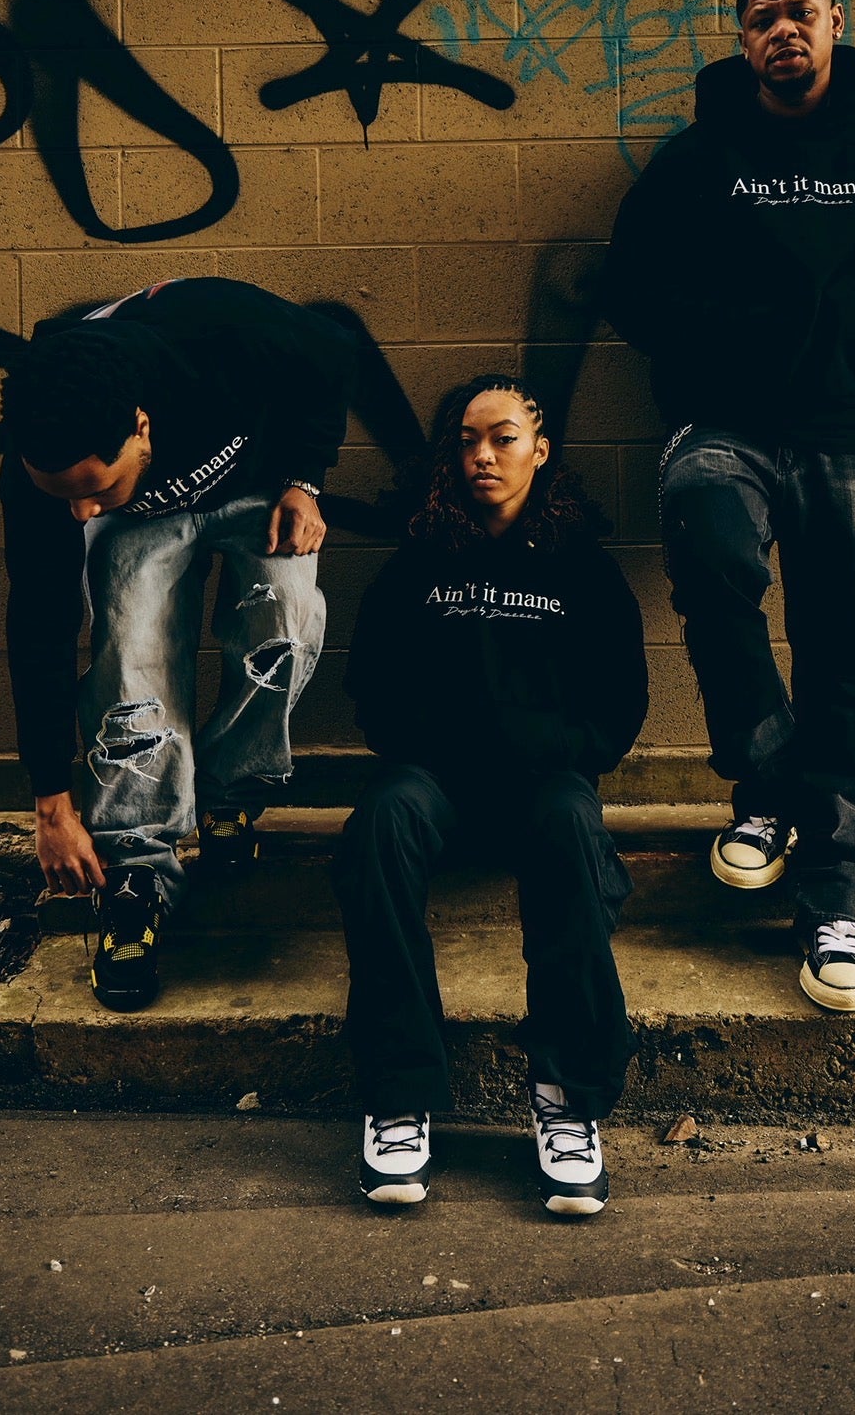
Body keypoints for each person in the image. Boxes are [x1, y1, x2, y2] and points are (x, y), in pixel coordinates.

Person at [601, 0, 855, 1013]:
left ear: (836, 21)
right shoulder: (694, 162)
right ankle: (766, 778)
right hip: (723, 420)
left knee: (839, 646)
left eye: (799, 12)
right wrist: (729, 338)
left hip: (845, 428)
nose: (782, 31)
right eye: (762, 18)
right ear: (743, 40)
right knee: (711, 548)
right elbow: (632, 286)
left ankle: (834, 896)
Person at [334, 373, 648, 1214]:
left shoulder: (584, 570)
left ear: (540, 451)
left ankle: (566, 1100)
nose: (483, 455)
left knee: (575, 825)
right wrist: (442, 744)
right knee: (381, 820)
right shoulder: (419, 562)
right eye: (468, 440)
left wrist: (540, 749)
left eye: (503, 438)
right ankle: (399, 1096)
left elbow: (619, 707)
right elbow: (372, 689)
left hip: (544, 788)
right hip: (436, 784)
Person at [0, 276, 355, 1012]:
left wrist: (305, 479)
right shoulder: (42, 474)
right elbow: (39, 626)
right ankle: (138, 870)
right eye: (64, 496)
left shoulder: (221, 329)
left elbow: (329, 353)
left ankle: (230, 794)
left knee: (284, 622)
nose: (79, 512)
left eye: (96, 489)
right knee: (131, 659)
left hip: (255, 486)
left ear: (141, 426)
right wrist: (51, 805)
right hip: (145, 523)